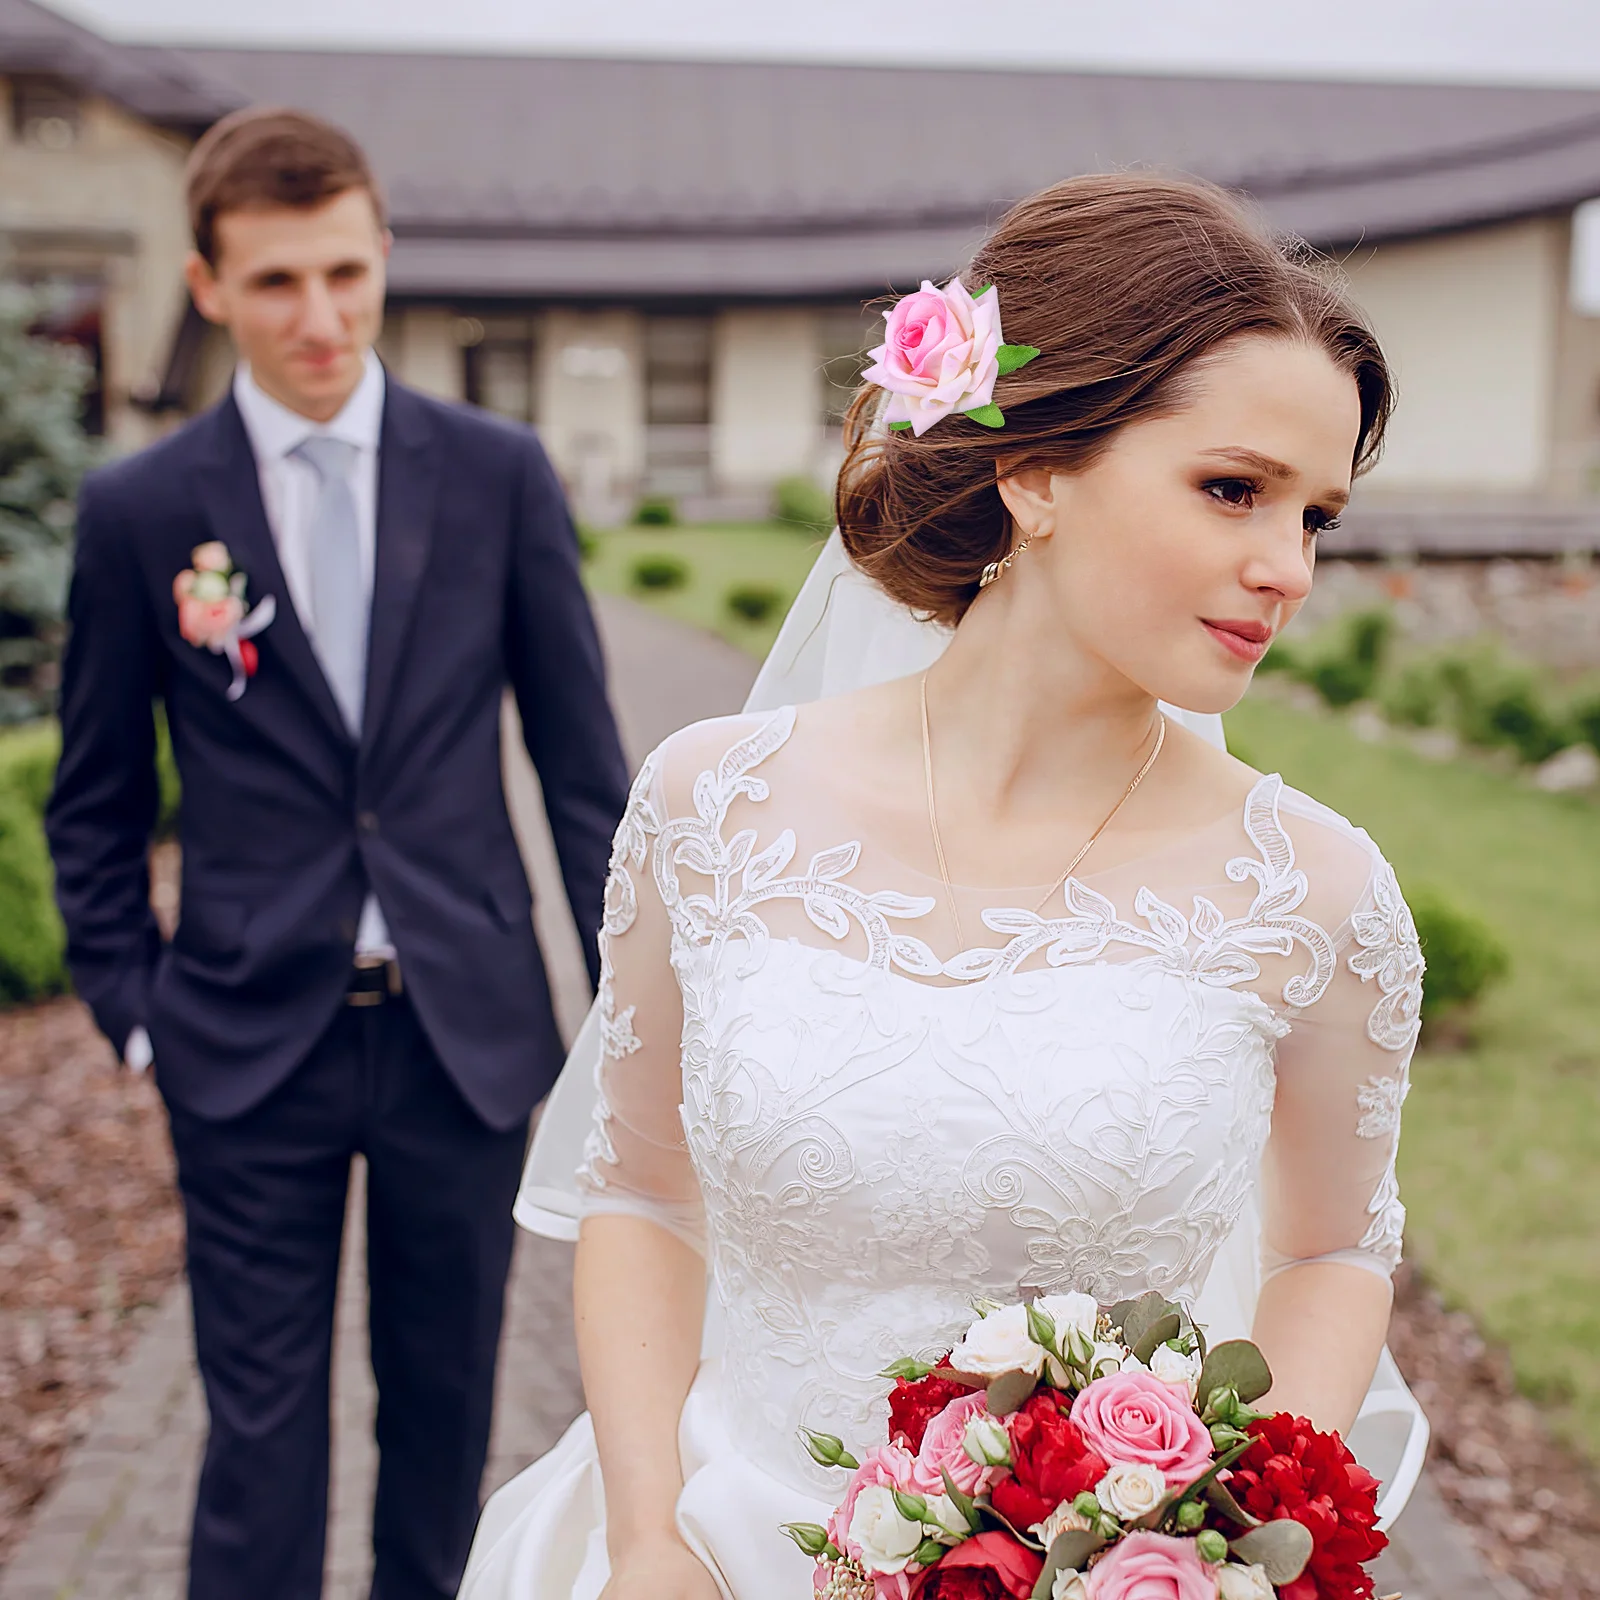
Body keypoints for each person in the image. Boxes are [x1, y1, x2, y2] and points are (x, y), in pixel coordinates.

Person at [457, 172, 1424, 1600]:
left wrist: (1208, 1541)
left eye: (1317, 518)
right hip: (715, 1549)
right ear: (1032, 470)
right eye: (1234, 490)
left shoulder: (1318, 893)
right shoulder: (708, 809)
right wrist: (653, 1539)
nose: (1286, 568)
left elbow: (1335, 1246)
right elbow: (645, 1200)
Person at [45, 107, 630, 1600]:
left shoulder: (496, 475)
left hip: (466, 1034)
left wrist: (637, 1001)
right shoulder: (143, 511)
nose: (322, 317)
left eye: (347, 274)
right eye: (280, 283)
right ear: (209, 286)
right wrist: (130, 1005)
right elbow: (97, 795)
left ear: (382, 258)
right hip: (243, 1038)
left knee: (443, 1431)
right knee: (260, 1437)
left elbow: (580, 771)